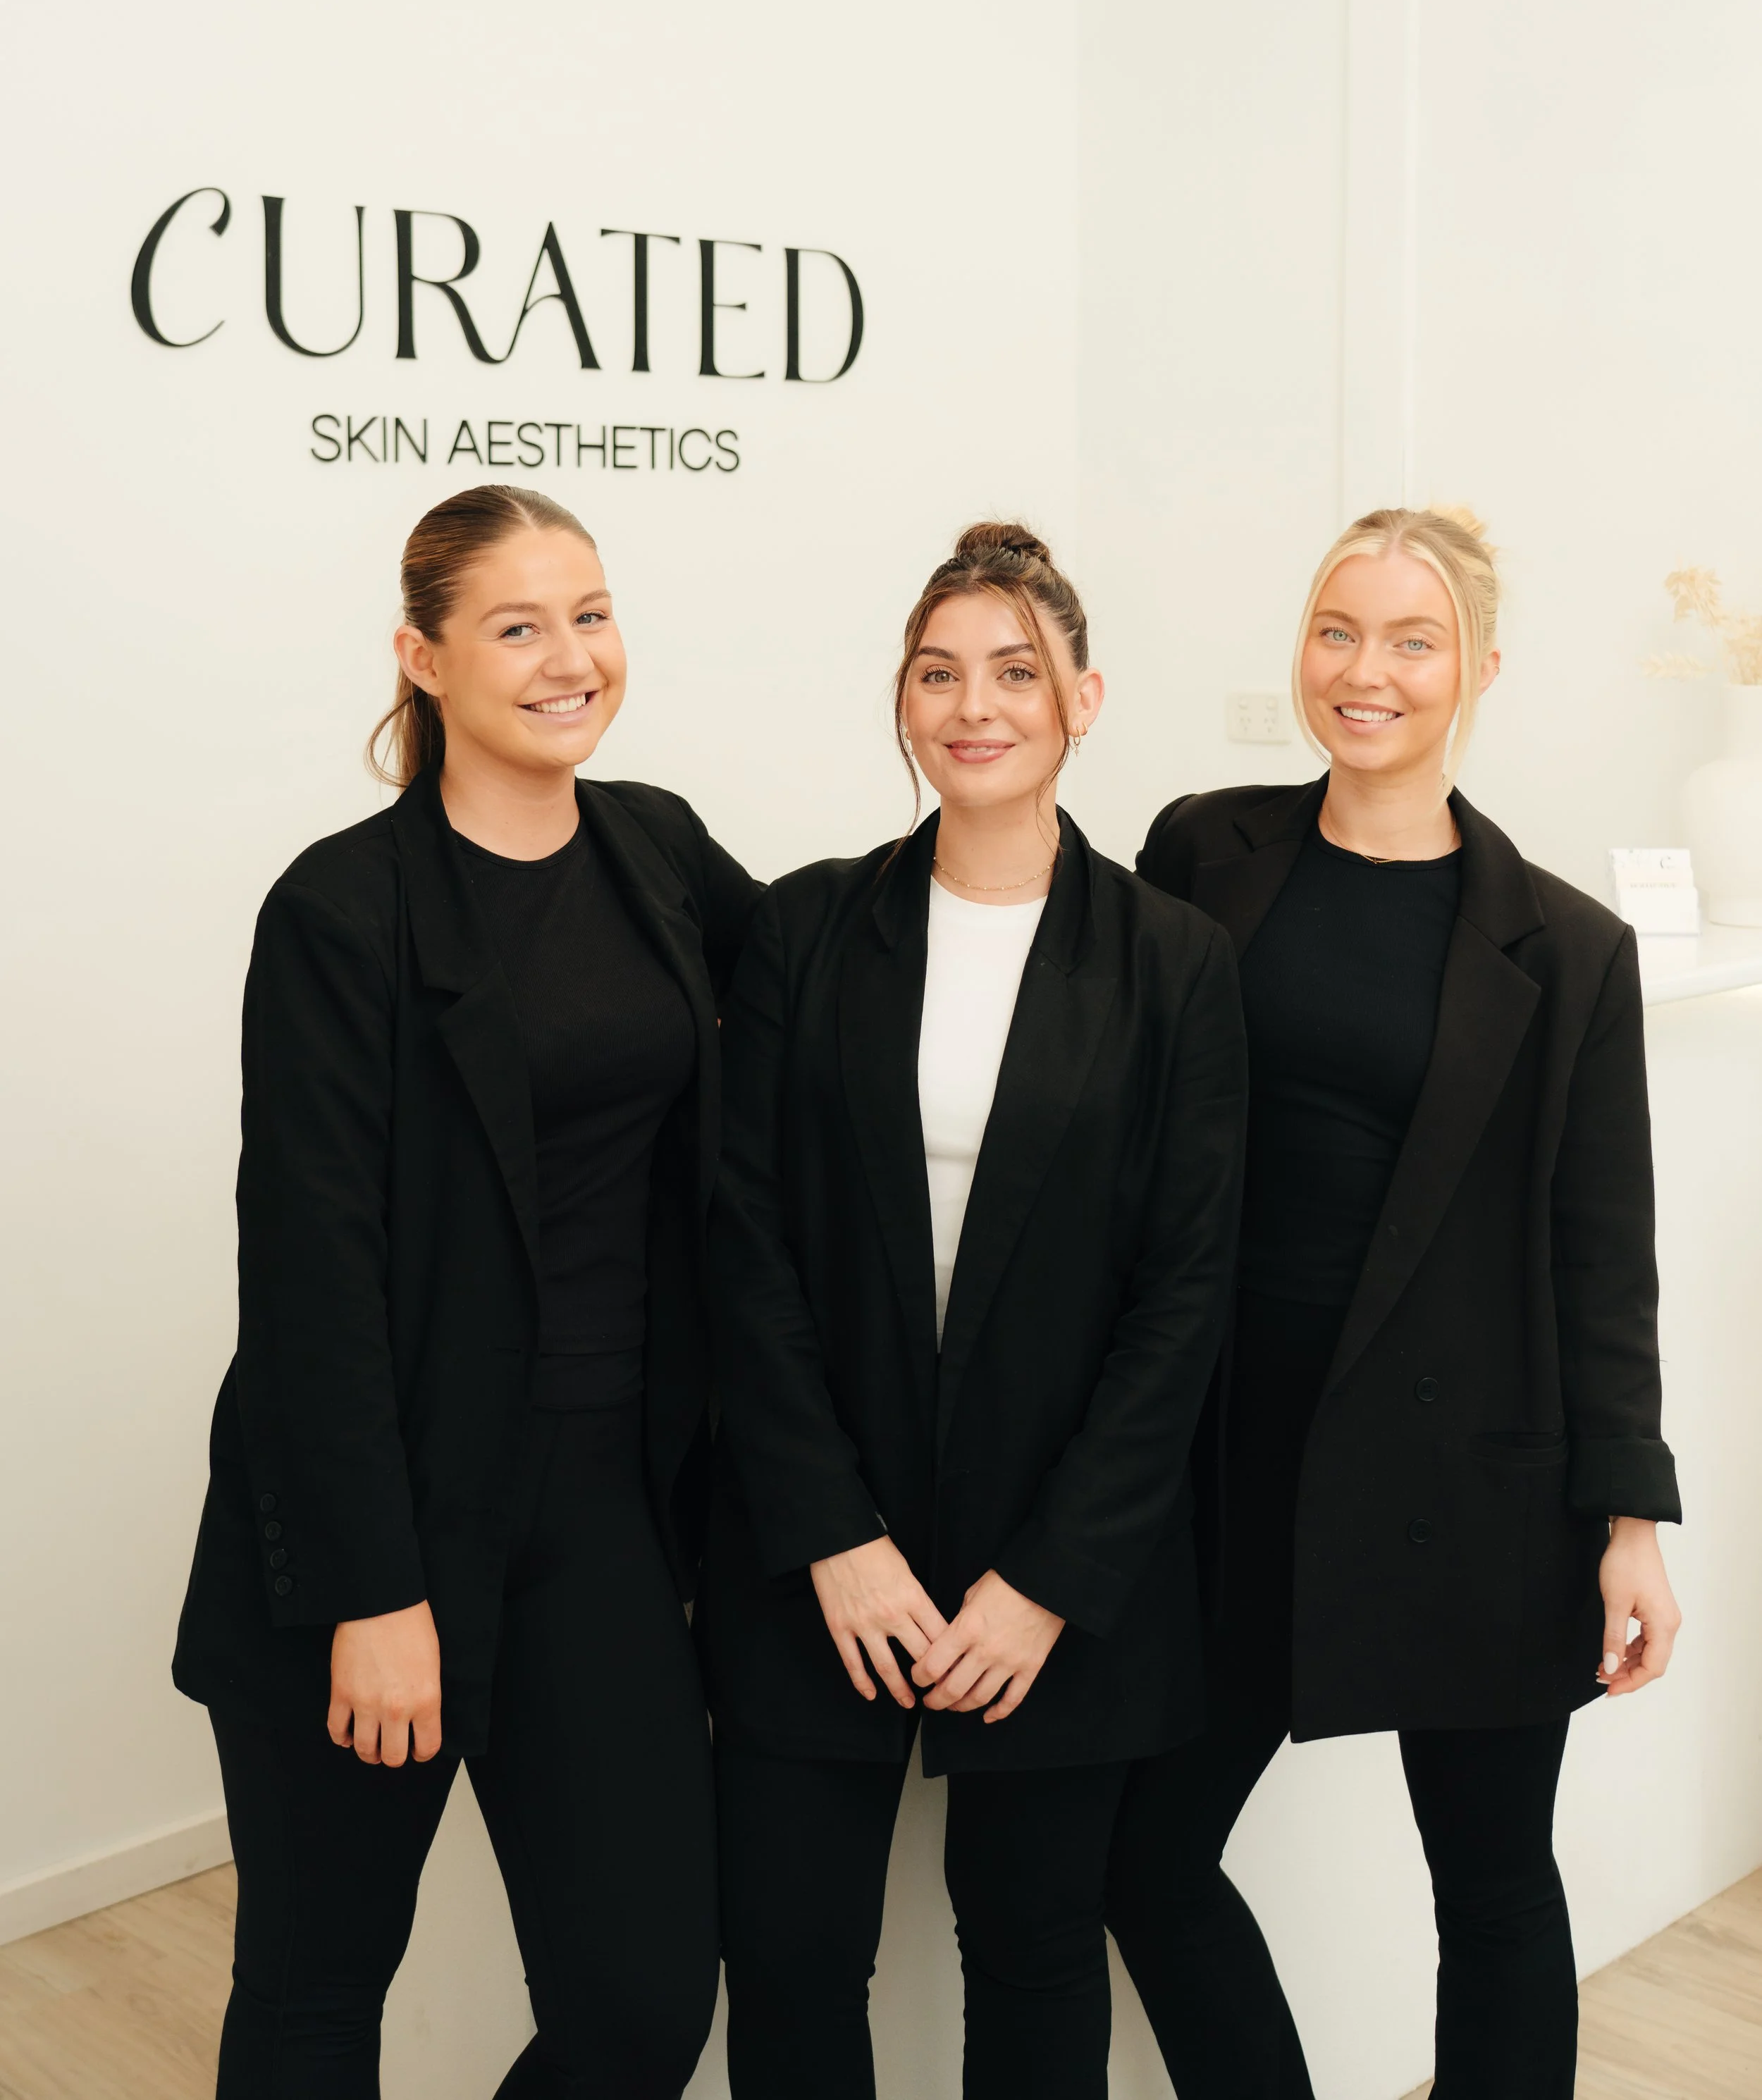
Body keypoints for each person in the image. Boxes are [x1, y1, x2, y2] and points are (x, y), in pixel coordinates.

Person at [172, 484, 760, 2099]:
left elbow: (838, 979)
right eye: (517, 625)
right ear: (421, 660)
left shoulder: (655, 845)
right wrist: (374, 1593)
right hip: (384, 1524)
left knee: (639, 2006)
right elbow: (307, 1274)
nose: (569, 657)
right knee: (314, 1991)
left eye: (590, 613)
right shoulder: (339, 910)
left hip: (600, 1517)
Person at [1104, 504, 1682, 2100]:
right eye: (1336, 632)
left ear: (1476, 669)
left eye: (1408, 640)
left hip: (1467, 1480)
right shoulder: (1198, 851)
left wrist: (1625, 1516)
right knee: (1139, 1859)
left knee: (1490, 1890)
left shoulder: (1565, 946)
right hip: (1223, 1471)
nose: (1365, 673)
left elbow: (1597, 1241)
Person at [698, 521, 1247, 2100]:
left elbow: (1180, 1300)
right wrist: (831, 1533)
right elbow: (745, 1247)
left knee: (1029, 1950)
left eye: (1012, 672)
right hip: (820, 1549)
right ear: (900, 699)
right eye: (935, 673)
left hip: (1057, 1571)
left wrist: (1047, 1581)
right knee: (792, 1957)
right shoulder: (806, 930)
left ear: (1082, 695)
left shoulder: (1173, 964)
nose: (972, 705)